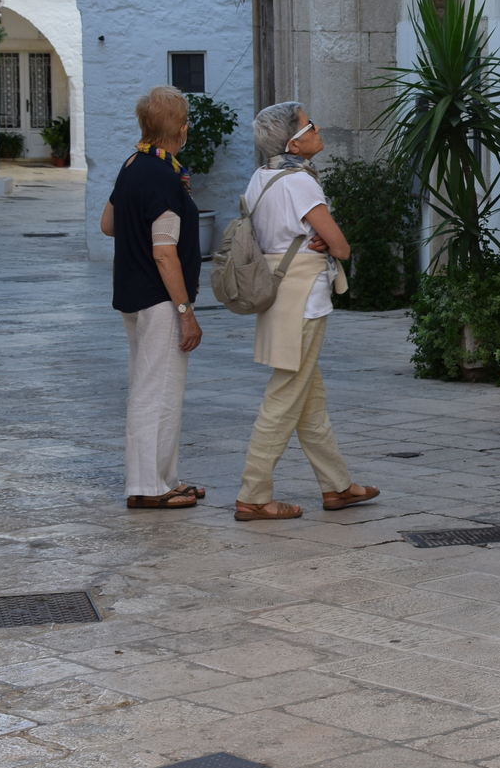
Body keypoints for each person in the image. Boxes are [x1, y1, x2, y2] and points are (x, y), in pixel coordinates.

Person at [232, 102, 379, 522]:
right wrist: (327, 240)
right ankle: (253, 495)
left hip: (277, 294)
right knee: (284, 398)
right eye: (309, 125)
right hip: (303, 299)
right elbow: (342, 247)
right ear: (293, 143)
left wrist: (318, 238)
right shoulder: (299, 182)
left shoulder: (261, 177)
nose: (317, 128)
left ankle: (337, 486)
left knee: (309, 399)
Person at [99, 85, 206, 509]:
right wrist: (185, 310)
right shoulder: (163, 177)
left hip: (133, 294)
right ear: (181, 130)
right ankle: (147, 487)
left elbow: (108, 224)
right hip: (160, 300)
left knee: (159, 390)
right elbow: (164, 253)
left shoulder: (132, 165)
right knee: (155, 393)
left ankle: (164, 478)